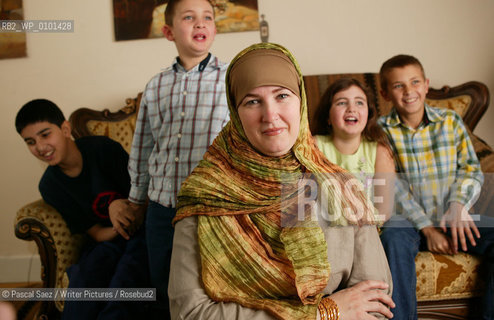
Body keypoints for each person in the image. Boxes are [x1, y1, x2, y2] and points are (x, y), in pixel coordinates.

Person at [168, 43, 395, 320]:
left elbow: (376, 302)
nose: (271, 115)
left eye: (282, 96)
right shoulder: (204, 195)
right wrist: (324, 314)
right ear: (235, 113)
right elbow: (190, 313)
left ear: (301, 103)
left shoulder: (342, 188)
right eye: (252, 101)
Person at [109, 0, 230, 318]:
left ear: (215, 29)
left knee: (211, 286)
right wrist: (136, 201)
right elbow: (143, 149)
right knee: (163, 287)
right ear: (168, 32)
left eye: (207, 18)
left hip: (211, 207)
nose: (200, 24)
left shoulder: (231, 80)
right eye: (189, 18)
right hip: (162, 211)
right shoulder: (155, 86)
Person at [378, 54, 494, 320]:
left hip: (453, 216)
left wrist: (457, 206)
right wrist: (427, 229)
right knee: (392, 236)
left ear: (426, 84)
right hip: (408, 222)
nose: (409, 91)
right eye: (398, 86)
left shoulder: (451, 122)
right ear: (385, 93)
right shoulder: (380, 131)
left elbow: (470, 170)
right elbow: (391, 184)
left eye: (415, 82)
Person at [15, 99, 150, 320]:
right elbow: (96, 233)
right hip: (108, 239)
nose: (40, 147)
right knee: (84, 280)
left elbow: (146, 198)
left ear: (65, 129)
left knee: (126, 279)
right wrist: (116, 222)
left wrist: (121, 207)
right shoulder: (50, 185)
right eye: (30, 141)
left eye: (45, 134)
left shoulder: (102, 149)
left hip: (142, 232)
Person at [313, 78, 395, 222]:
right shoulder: (314, 146)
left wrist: (361, 222)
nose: (352, 108)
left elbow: (384, 211)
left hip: (367, 225)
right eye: (342, 103)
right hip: (327, 225)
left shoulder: (380, 152)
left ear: (368, 114)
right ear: (328, 117)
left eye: (359, 102)